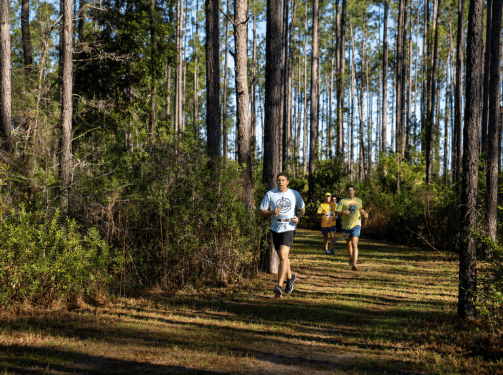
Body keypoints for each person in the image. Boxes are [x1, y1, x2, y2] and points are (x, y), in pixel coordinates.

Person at [259, 172, 305, 298]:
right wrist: (272, 212)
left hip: (289, 227)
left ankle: (279, 285)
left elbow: (302, 209)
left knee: (284, 255)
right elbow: (261, 212)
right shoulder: (270, 194)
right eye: (278, 180)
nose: (280, 182)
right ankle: (290, 278)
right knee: (282, 257)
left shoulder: (294, 194)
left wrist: (299, 218)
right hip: (275, 228)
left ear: (287, 182)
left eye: (283, 180)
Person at [335, 184, 368, 271]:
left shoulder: (358, 200)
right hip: (346, 226)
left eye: (351, 190)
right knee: (348, 243)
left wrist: (364, 213)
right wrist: (343, 212)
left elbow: (360, 209)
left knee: (354, 244)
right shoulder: (342, 201)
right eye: (348, 190)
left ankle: (355, 263)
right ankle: (350, 257)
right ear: (347, 192)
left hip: (356, 224)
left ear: (354, 191)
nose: (350, 192)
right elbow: (336, 212)